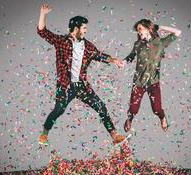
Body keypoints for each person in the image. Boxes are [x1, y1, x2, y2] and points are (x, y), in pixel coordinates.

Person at [37, 4, 127, 146]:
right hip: (65, 86)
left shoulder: (88, 46)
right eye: (84, 28)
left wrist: (114, 60)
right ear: (76, 28)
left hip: (82, 86)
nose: (86, 31)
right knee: (58, 110)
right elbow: (43, 32)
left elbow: (99, 55)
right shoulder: (61, 42)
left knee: (101, 106)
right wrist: (43, 14)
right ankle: (44, 134)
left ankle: (115, 136)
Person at [123, 19, 182, 133]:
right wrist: (123, 62)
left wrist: (159, 27)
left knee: (156, 109)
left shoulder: (160, 42)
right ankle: (129, 120)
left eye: (140, 29)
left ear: (148, 29)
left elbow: (178, 32)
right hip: (139, 82)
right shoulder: (138, 44)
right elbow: (130, 57)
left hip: (153, 82)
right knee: (133, 109)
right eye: (137, 30)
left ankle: (163, 117)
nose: (138, 32)